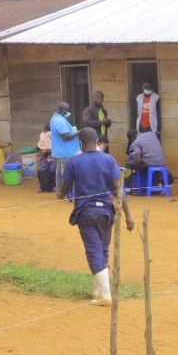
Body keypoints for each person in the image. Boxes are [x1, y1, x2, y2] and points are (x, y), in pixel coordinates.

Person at [61, 128, 134, 306]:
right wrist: (129, 216)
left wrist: (61, 195)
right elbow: (118, 189)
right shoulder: (108, 159)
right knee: (102, 250)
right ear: (96, 141)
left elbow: (65, 188)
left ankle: (106, 296)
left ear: (80, 142)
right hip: (106, 213)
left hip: (86, 212)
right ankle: (97, 291)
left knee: (93, 252)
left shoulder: (74, 162)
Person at [50, 102, 80, 198]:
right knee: (65, 174)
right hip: (65, 151)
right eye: (67, 109)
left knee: (59, 173)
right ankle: (66, 194)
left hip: (60, 151)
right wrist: (78, 133)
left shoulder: (56, 118)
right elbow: (65, 136)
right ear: (62, 110)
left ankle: (60, 193)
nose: (68, 112)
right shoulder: (60, 120)